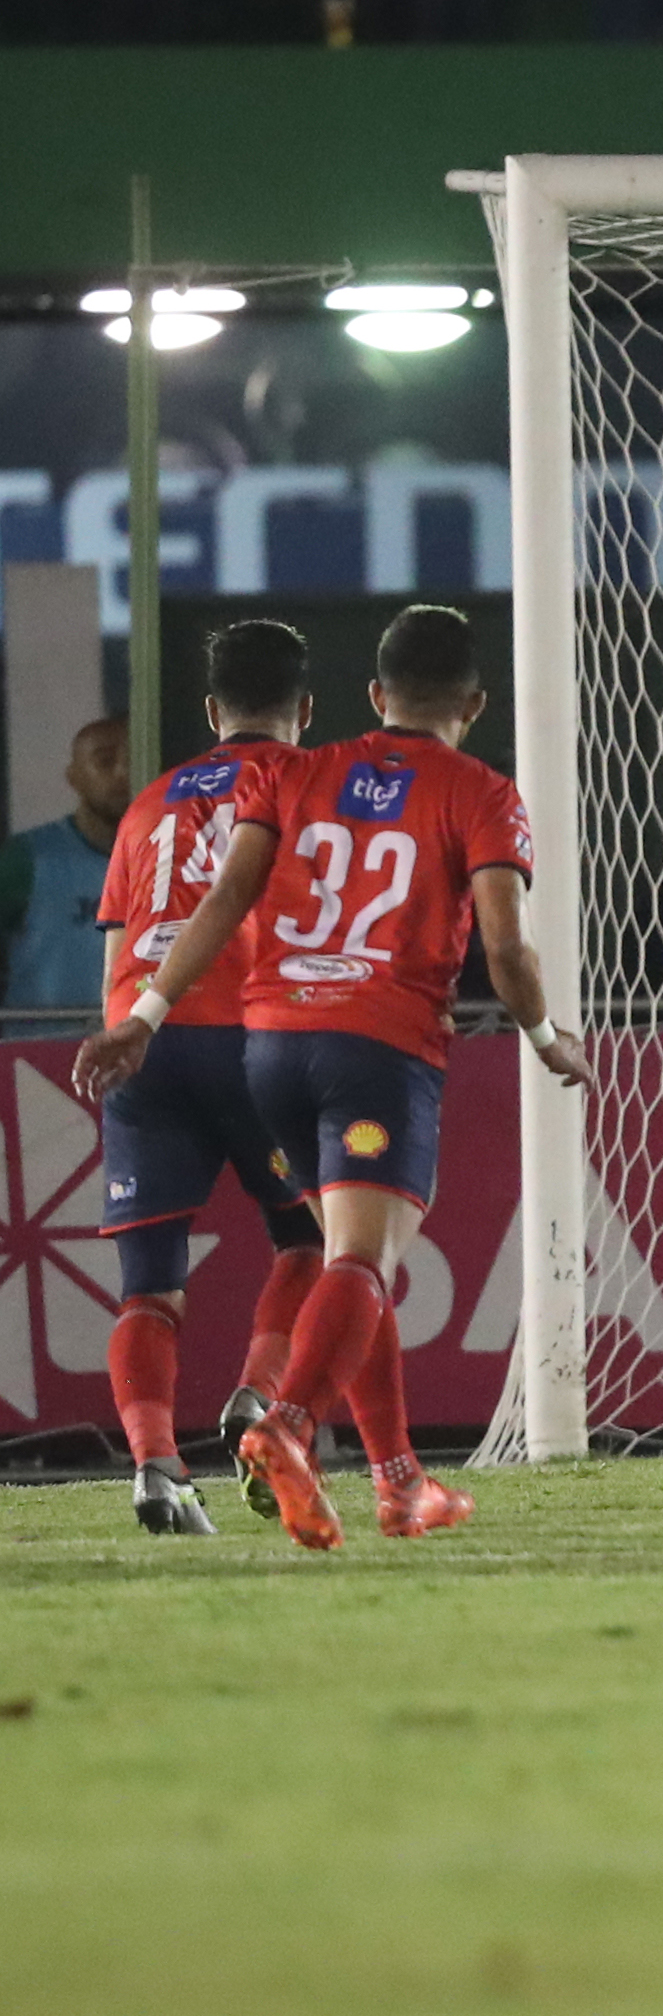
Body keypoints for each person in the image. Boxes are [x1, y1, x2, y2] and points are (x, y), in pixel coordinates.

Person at [73, 604, 596, 1550]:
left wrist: (142, 1015)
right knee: (348, 1259)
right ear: (476, 702)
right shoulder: (478, 789)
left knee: (289, 1267)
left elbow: (216, 900)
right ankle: (283, 1418)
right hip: (366, 1044)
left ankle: (391, 1481)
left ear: (370, 694)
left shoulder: (285, 775)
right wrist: (546, 1033)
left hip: (259, 1040)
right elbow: (506, 941)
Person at [85, 623, 327, 1536]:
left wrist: (125, 1037)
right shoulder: (308, 782)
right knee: (312, 1241)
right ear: (305, 709)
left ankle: (155, 1468)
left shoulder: (148, 803)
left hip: (141, 1043)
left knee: (148, 1288)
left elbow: (115, 948)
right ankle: (257, 1400)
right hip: (253, 1035)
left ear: (210, 711)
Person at [1, 715, 131, 1019]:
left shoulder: (174, 854)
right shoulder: (28, 858)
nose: (124, 773)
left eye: (134, 759)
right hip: (39, 1050)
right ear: (74, 777)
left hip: (135, 1047)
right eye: (105, 761)